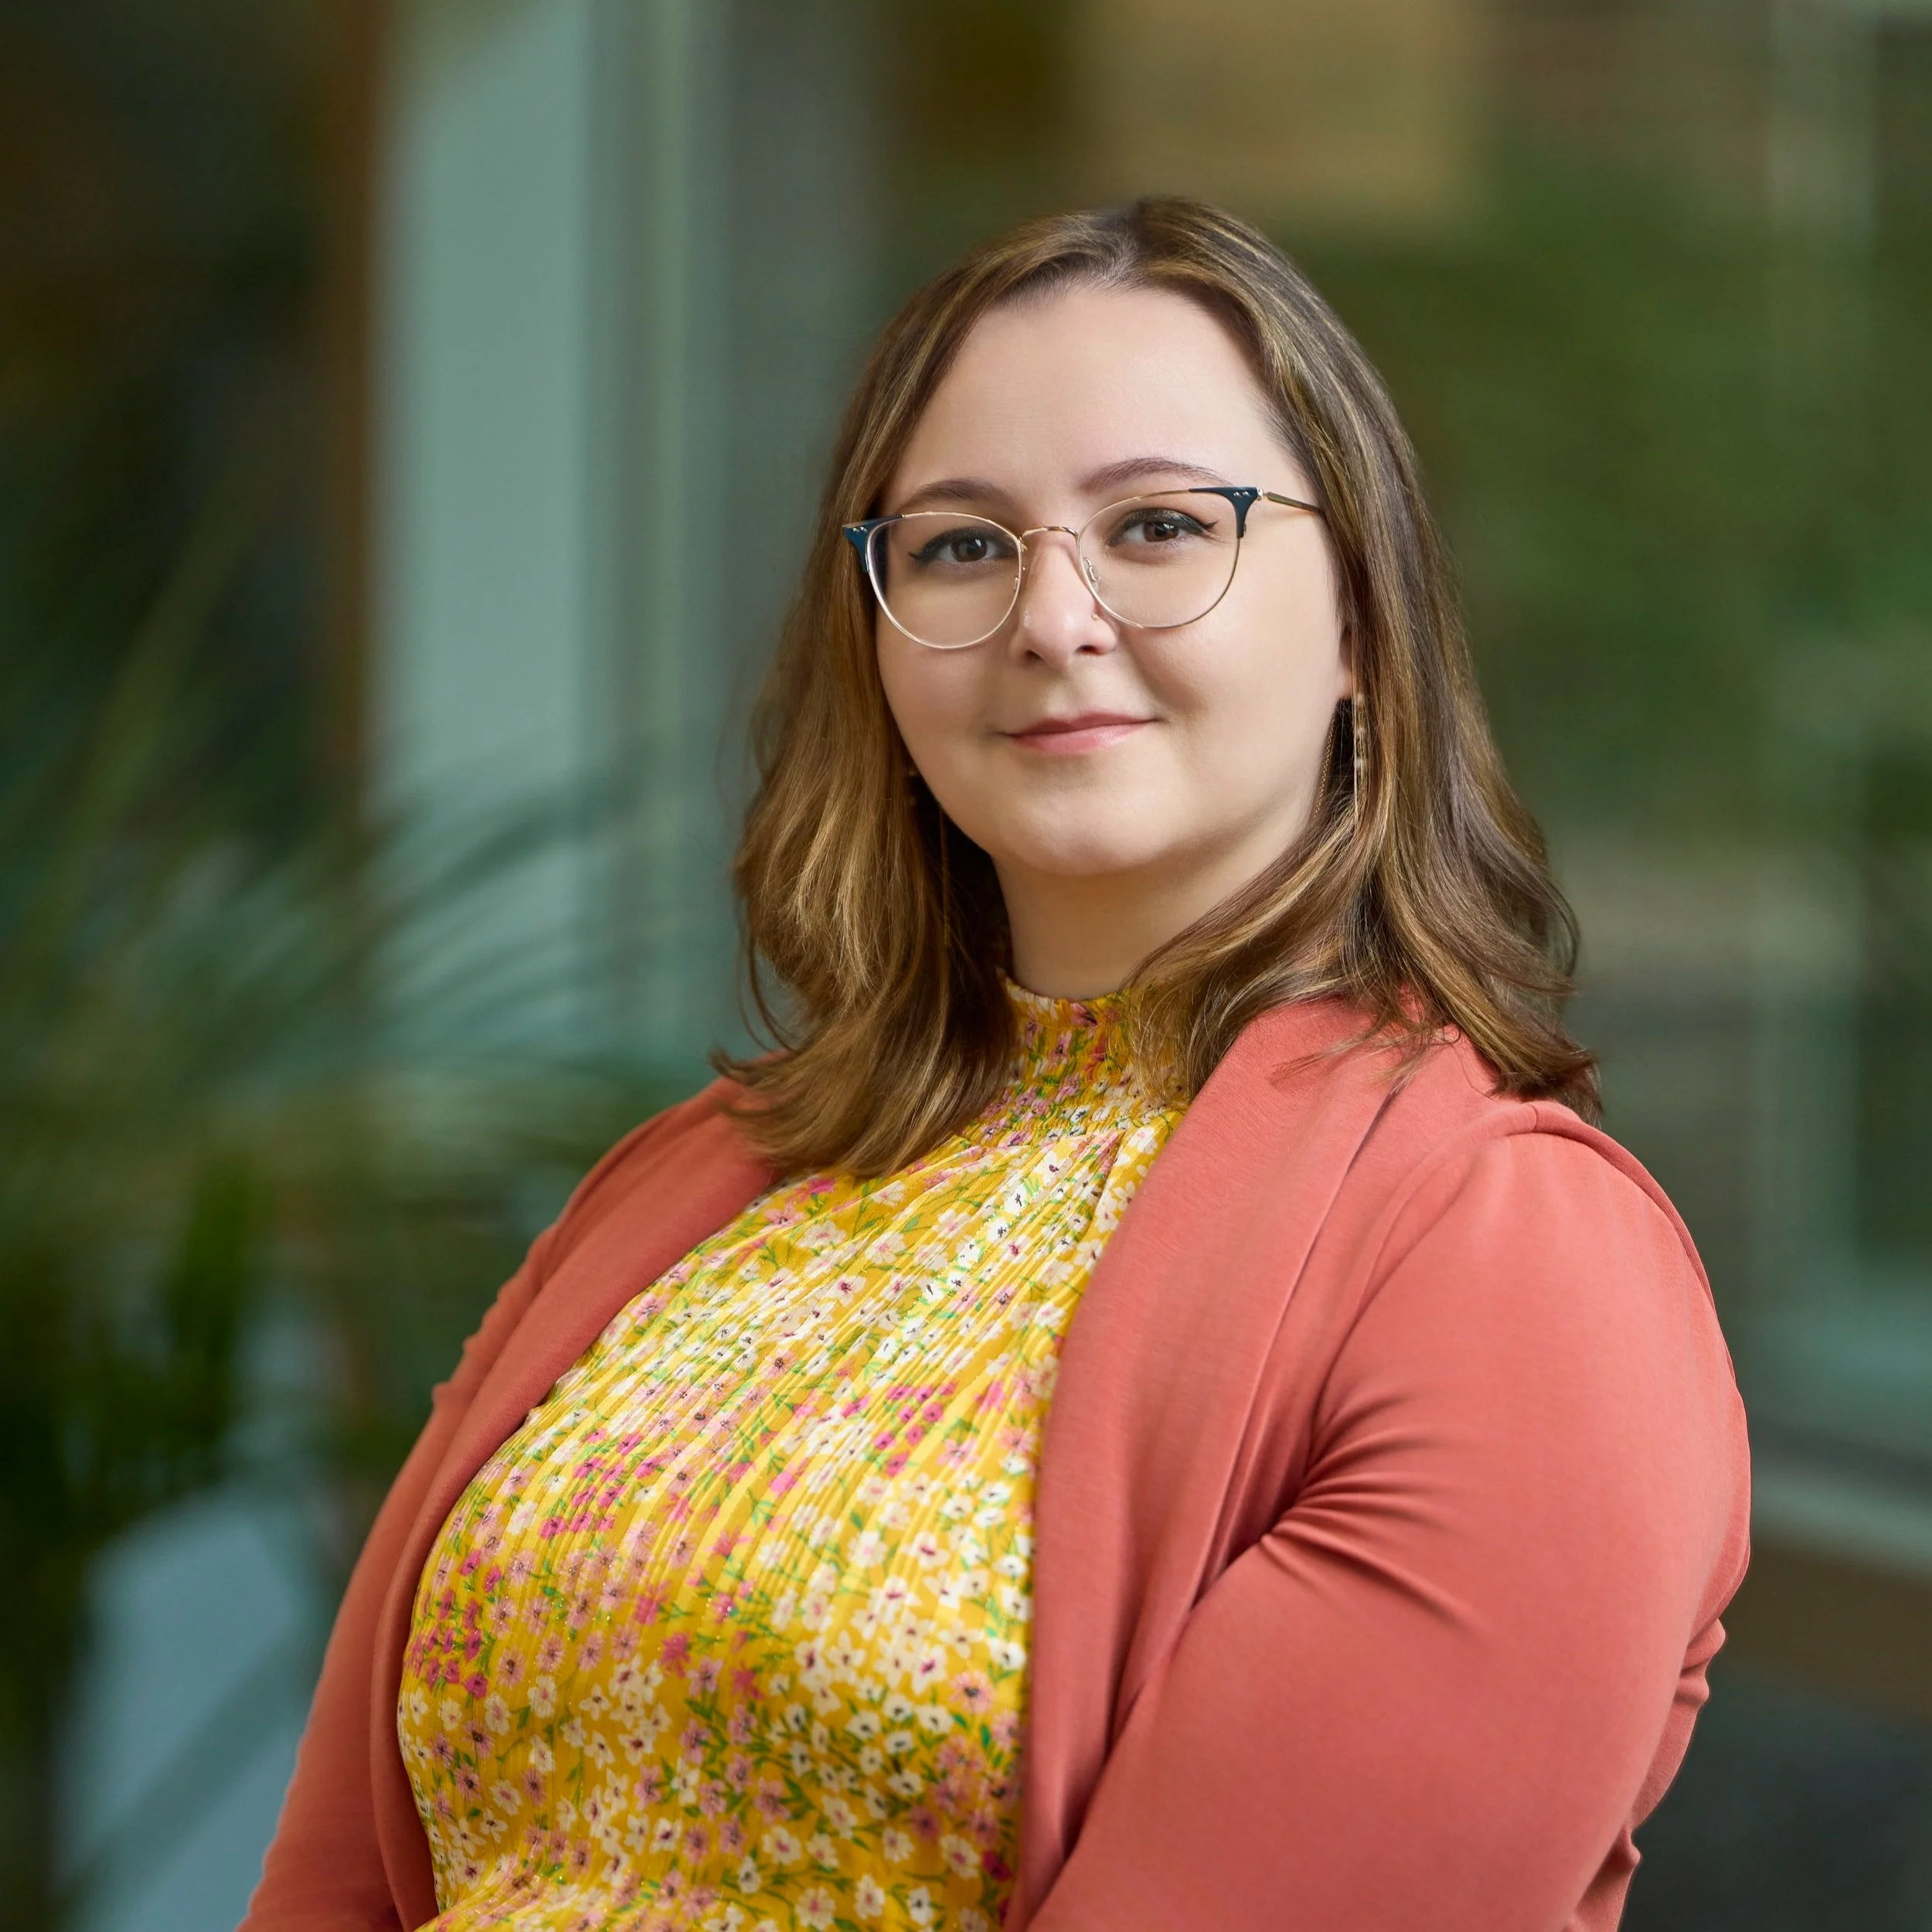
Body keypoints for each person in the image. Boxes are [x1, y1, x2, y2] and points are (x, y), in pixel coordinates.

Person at [243, 198, 1750, 1932]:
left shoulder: (1509, 1257)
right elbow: (338, 1879)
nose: (1052, 614)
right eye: (961, 546)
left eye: (1161, 524)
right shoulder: (691, 1181)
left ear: (1360, 627)